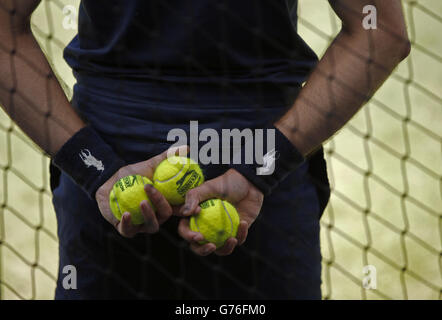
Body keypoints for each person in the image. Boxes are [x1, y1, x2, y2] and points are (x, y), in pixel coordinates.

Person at [0, 0, 410, 299]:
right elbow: (378, 28)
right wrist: (262, 168)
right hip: (263, 174)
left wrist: (97, 171)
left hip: (112, 172)